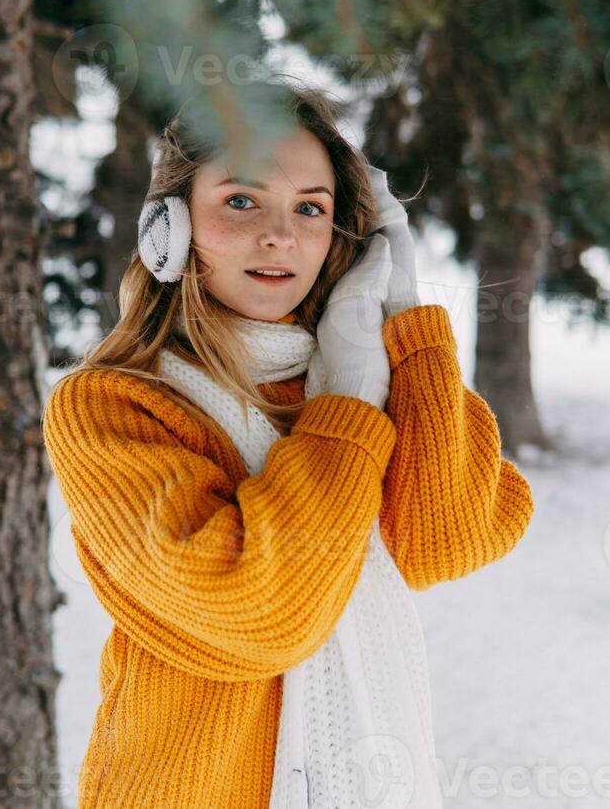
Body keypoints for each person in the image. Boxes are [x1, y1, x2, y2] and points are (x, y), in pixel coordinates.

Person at [41, 82, 534, 809]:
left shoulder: (357, 377)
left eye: (311, 207)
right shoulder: (114, 405)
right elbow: (263, 611)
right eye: (242, 200)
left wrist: (404, 318)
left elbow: (447, 537)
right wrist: (343, 408)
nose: (282, 235)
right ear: (168, 228)